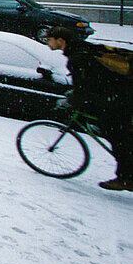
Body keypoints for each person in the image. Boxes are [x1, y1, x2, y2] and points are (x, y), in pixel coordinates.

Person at [46, 27, 133, 190]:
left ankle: (126, 178)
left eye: (48, 39)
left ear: (60, 41)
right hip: (122, 95)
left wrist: (70, 102)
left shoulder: (77, 58)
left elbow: (84, 89)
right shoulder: (84, 49)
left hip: (118, 101)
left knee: (118, 137)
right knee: (122, 135)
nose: (46, 43)